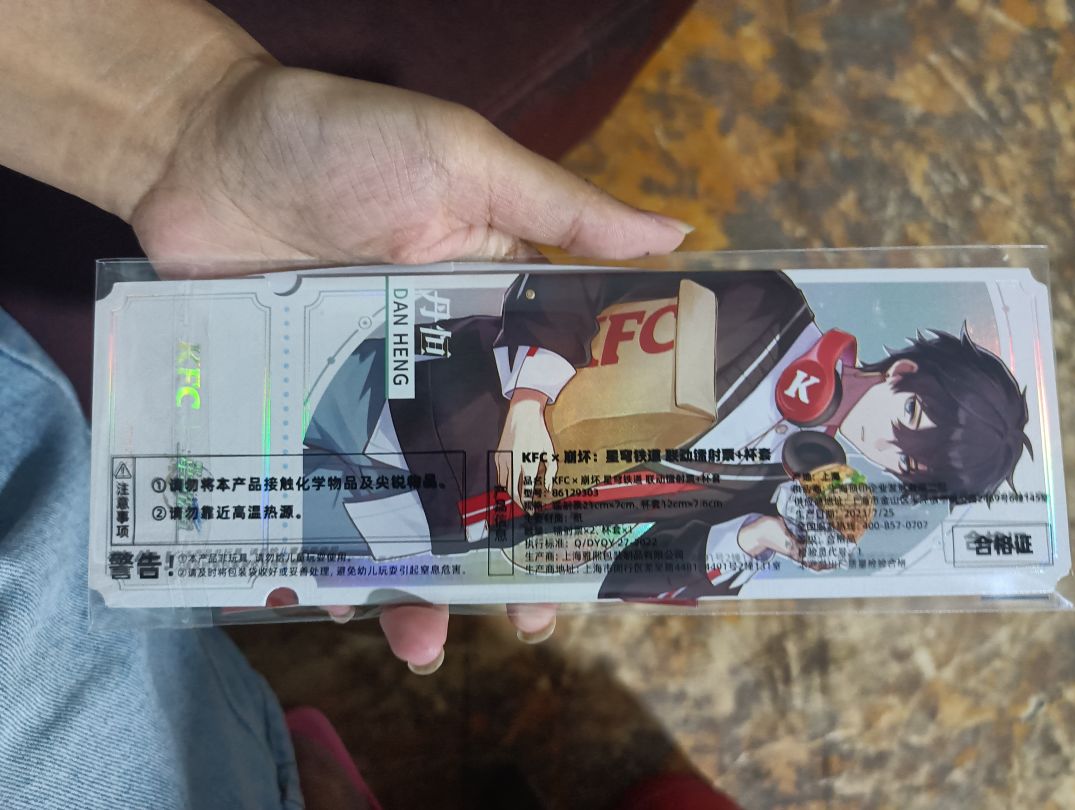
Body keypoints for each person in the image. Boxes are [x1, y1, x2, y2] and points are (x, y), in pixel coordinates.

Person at [0, 1, 693, 807]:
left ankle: (285, 772)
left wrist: (187, 121)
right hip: (315, 398)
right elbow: (551, 312)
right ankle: (288, 772)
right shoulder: (549, 363)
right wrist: (532, 402)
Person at [302, 268, 1030, 599]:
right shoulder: (766, 302)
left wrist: (753, 539)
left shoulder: (782, 494)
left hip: (433, 522)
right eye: (909, 420)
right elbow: (583, 281)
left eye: (903, 467)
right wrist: (528, 399)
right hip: (419, 388)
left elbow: (628, 576)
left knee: (254, 539)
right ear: (902, 373)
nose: (884, 445)